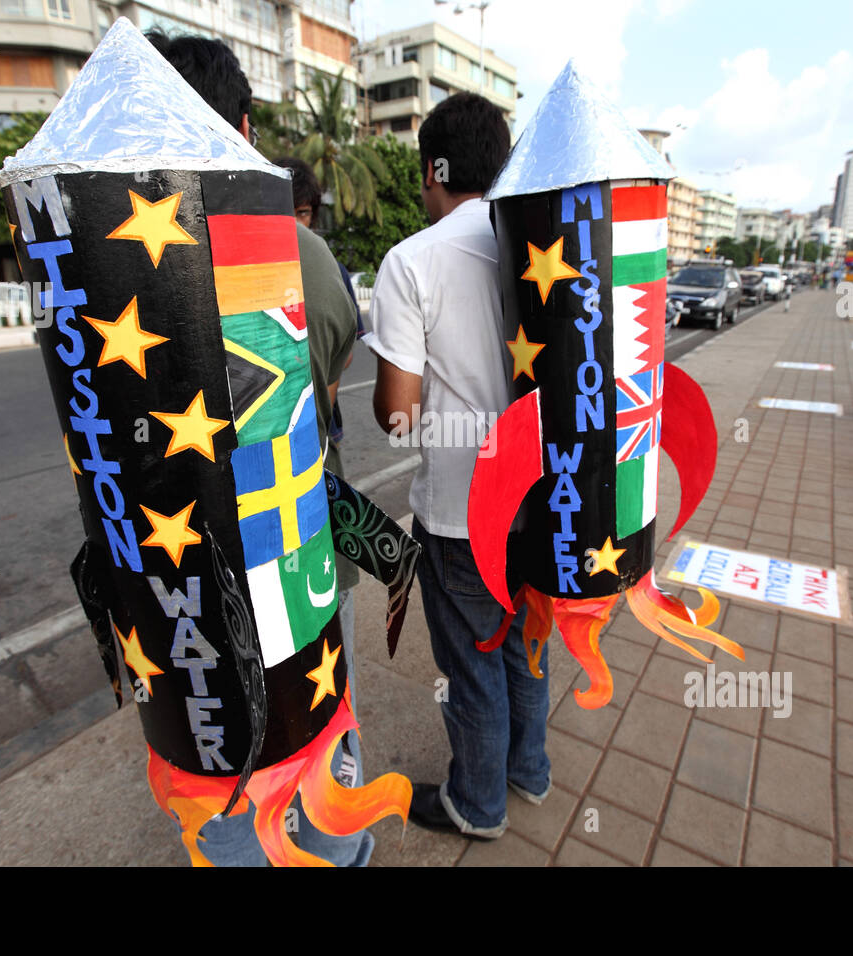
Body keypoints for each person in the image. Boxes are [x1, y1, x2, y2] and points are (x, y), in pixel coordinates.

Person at [144, 30, 365, 867]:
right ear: (240, 126)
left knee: (221, 777)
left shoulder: (93, 266)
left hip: (175, 586)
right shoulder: (301, 250)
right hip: (300, 554)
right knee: (314, 748)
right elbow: (334, 372)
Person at [365, 92, 541, 840]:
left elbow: (397, 414)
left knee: (473, 660)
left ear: (436, 169)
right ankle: (527, 770)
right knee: (525, 642)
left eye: (421, 173)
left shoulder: (413, 261)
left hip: (464, 510)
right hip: (540, 497)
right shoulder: (538, 241)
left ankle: (478, 803)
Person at [272, 155, 364, 446]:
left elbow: (345, 352)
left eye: (303, 213)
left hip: (321, 423)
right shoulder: (328, 266)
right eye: (289, 212)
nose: (298, 225)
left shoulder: (330, 267)